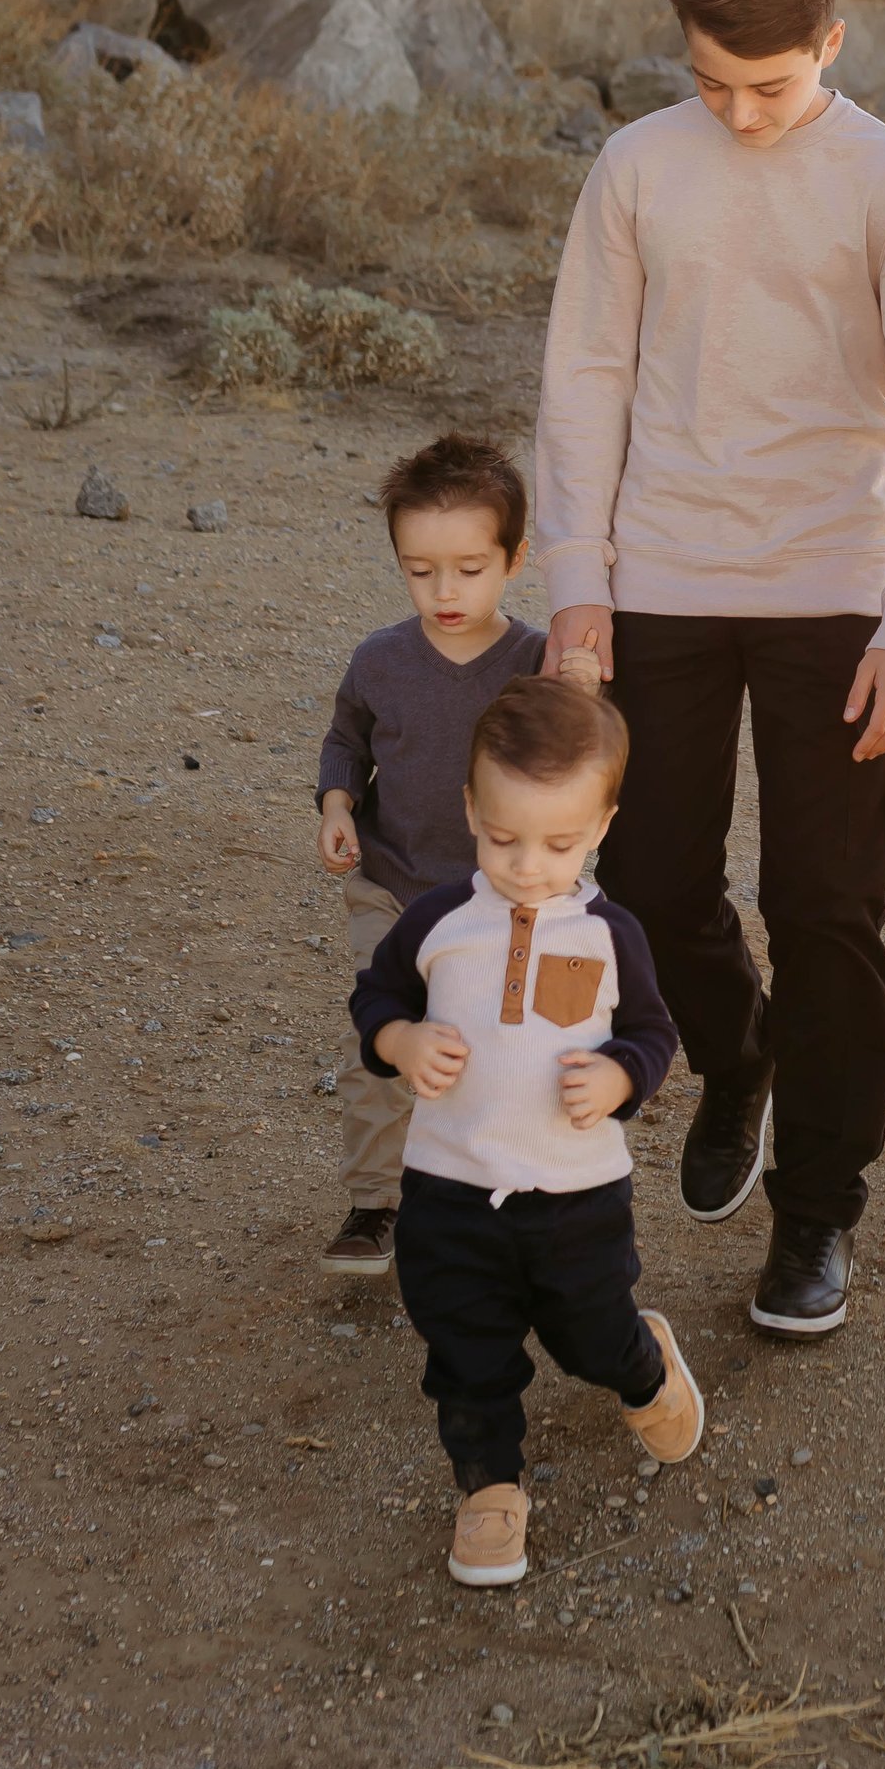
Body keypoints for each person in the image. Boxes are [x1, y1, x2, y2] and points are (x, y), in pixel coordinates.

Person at [535, 0, 885, 1339]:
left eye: (770, 86)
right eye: (711, 79)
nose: (736, 112)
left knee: (829, 911)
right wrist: (579, 584)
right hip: (660, 575)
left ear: (831, 45)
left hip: (837, 594)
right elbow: (586, 373)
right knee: (653, 881)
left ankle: (816, 1219)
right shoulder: (636, 165)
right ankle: (733, 1057)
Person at [349, 673, 701, 1589]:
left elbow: (656, 1035)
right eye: (504, 838)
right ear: (470, 808)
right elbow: (376, 996)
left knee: (588, 1333)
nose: (530, 865)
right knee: (464, 1345)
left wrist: (624, 1074)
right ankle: (489, 1489)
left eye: (560, 843)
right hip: (449, 1187)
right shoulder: (436, 924)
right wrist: (400, 1037)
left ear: (603, 827)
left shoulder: (610, 934)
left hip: (577, 1195)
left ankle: (642, 1365)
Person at [314, 434, 553, 1279]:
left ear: (514, 558)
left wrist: (587, 687)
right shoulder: (380, 660)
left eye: (468, 568)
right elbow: (346, 739)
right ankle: (375, 1203)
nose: (444, 591)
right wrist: (338, 804)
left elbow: (576, 759)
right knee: (382, 1040)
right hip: (389, 887)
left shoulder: (536, 664)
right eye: (420, 570)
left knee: (496, 1048)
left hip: (501, 898)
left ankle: (493, 1199)